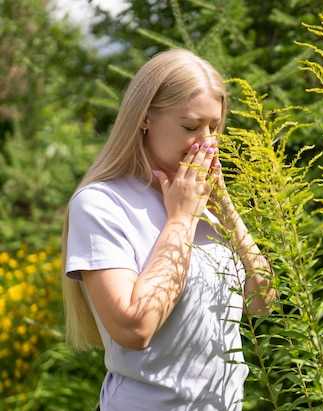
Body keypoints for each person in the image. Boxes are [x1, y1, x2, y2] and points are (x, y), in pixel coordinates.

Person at [60, 48, 277, 411]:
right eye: (191, 126)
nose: (206, 142)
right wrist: (181, 219)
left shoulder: (202, 201)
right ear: (145, 118)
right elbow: (134, 329)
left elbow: (262, 301)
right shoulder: (102, 204)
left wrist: (225, 207)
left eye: (215, 127)